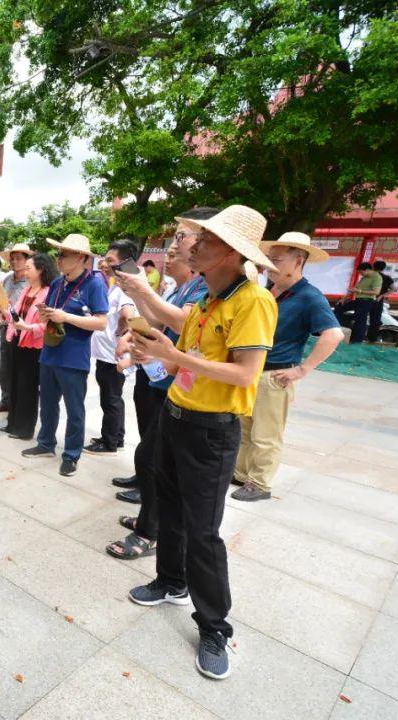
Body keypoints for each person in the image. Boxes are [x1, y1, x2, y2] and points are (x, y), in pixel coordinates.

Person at [126, 204, 277, 681]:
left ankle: (214, 625)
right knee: (169, 508)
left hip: (212, 429)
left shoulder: (252, 300)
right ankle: (170, 580)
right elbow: (183, 361)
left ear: (232, 253)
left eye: (205, 240)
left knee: (204, 531)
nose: (193, 245)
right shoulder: (208, 299)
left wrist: (171, 355)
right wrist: (156, 352)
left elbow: (246, 372)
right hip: (176, 413)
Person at [106, 208, 215, 558]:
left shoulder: (219, 289)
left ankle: (151, 531)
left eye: (180, 238)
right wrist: (137, 292)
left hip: (189, 394)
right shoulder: (192, 287)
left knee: (157, 463)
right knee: (151, 457)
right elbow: (157, 318)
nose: (173, 247)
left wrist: (141, 290)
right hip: (164, 380)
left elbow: (183, 326)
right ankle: (151, 524)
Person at [231, 232, 342, 501]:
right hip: (251, 371)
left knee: (266, 434)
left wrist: (302, 370)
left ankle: (260, 484)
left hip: (275, 375)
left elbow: (333, 334)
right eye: (269, 259)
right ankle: (241, 473)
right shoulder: (268, 292)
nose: (270, 265)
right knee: (244, 430)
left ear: (299, 260)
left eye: (277, 260)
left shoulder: (309, 296)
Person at [21, 234, 108, 476]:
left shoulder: (94, 284)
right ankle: (46, 442)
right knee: (48, 403)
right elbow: (48, 313)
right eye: (58, 254)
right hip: (50, 351)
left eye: (64, 255)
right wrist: (44, 314)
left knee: (74, 409)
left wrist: (66, 317)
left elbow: (101, 323)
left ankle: (71, 454)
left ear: (81, 257)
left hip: (73, 355)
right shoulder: (58, 283)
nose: (58, 259)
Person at [85, 240, 139, 455]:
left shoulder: (125, 290)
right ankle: (116, 436)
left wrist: (127, 333)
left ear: (126, 262)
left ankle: (109, 442)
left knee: (111, 400)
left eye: (110, 260)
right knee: (114, 399)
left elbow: (130, 316)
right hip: (106, 355)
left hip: (111, 357)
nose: (104, 264)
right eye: (104, 260)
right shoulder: (117, 286)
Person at [2, 253, 53, 440]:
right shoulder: (27, 290)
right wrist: (3, 308)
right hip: (17, 339)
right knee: (14, 383)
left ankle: (24, 429)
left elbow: (46, 325)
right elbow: (14, 312)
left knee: (28, 387)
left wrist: (28, 327)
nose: (25, 271)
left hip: (33, 345)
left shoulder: (47, 293)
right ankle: (13, 423)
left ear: (41, 270)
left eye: (29, 268)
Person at [0, 244, 33, 414]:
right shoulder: (6, 279)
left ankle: (20, 403)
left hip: (23, 330)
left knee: (22, 368)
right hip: (5, 328)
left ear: (27, 260)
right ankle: (6, 400)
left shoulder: (32, 280)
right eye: (12, 259)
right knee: (5, 366)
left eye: (18, 258)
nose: (14, 262)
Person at [335, 262, 382, 344]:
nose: (361, 274)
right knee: (339, 307)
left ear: (367, 270)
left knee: (360, 320)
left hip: (367, 301)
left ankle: (357, 340)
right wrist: (344, 299)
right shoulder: (364, 277)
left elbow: (376, 292)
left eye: (361, 272)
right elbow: (354, 289)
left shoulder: (377, 277)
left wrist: (359, 291)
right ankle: (337, 328)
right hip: (358, 300)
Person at [367, 260, 395, 342]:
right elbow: (393, 289)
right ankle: (372, 339)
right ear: (383, 268)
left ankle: (358, 337)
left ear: (373, 266)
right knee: (375, 320)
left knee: (362, 318)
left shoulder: (369, 276)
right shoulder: (387, 278)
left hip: (366, 299)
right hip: (378, 301)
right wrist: (382, 295)